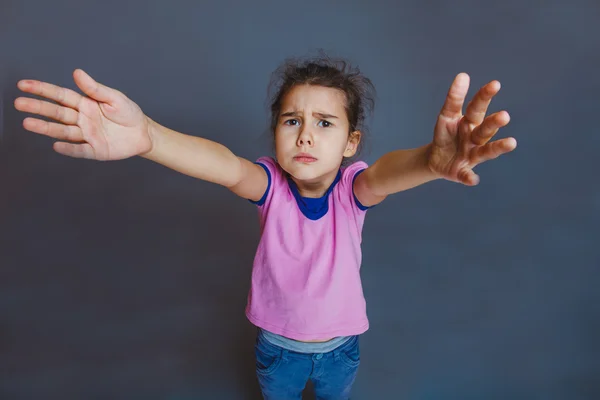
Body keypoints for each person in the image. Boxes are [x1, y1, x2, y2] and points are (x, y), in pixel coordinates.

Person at [14, 54, 516, 399]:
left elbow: (388, 173)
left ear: (350, 143)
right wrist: (149, 136)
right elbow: (222, 164)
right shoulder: (269, 185)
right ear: (276, 132)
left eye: (325, 122)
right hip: (278, 350)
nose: (304, 133)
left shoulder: (352, 191)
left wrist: (431, 160)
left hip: (341, 350)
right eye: (291, 120)